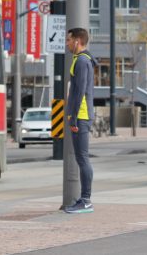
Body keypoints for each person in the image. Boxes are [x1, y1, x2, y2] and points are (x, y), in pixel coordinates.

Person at [64, 27, 97, 214]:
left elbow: (80, 91)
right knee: (81, 158)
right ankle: (84, 199)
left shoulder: (82, 61)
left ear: (77, 41)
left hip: (81, 115)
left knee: (83, 158)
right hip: (80, 115)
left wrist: (74, 118)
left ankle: (86, 200)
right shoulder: (80, 60)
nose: (67, 43)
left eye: (69, 40)